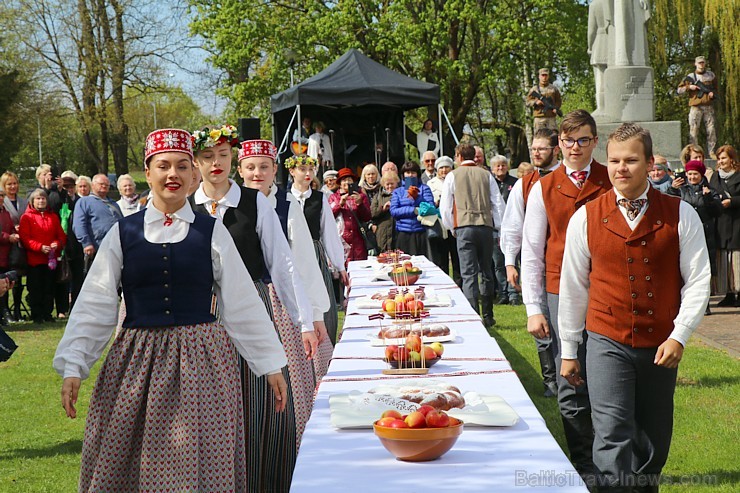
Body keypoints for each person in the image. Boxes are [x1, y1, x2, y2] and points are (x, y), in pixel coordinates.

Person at [53, 128, 288, 491]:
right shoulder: (123, 232)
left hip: (203, 364)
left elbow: (240, 302)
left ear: (194, 174)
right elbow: (95, 303)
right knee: (128, 458)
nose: (173, 175)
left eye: (182, 166)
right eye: (163, 166)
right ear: (148, 173)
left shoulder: (211, 231)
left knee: (203, 458)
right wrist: (74, 365)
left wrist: (270, 363)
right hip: (136, 362)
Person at [558, 122, 711, 490]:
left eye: (630, 160)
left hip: (661, 344)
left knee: (653, 440)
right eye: (613, 161)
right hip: (606, 340)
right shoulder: (586, 217)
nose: (620, 168)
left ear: (649, 163)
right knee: (612, 434)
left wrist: (680, 335)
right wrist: (568, 350)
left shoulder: (681, 214)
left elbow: (699, 279)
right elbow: (573, 286)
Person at [190, 129, 321, 491]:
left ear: (232, 159)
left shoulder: (253, 202)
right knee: (214, 407)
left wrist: (304, 320)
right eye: (207, 157)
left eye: (222, 155)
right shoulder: (187, 206)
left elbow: (282, 262)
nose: (215, 164)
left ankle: (269, 482)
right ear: (196, 162)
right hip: (203, 315)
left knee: (264, 402)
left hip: (254, 306)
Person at [521, 110, 611, 475]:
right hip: (560, 290)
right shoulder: (543, 186)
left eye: (584, 140)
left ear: (595, 141)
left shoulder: (612, 178)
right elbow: (531, 249)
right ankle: (585, 465)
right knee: (570, 377)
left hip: (607, 290)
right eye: (569, 140)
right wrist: (533, 307)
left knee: (604, 376)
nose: (575, 147)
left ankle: (610, 460)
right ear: (559, 143)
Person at [500, 128, 561, 398]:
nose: (536, 152)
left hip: (568, 262)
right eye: (534, 148)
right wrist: (510, 262)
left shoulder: (568, 179)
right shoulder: (526, 183)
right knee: (541, 321)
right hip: (537, 262)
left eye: (542, 148)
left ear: (555, 150)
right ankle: (551, 381)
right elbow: (512, 225)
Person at [440, 143, 506, 327]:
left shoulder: (452, 176)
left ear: (459, 156)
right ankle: (488, 315)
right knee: (486, 270)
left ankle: (474, 315)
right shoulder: (486, 175)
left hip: (464, 226)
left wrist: (451, 227)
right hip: (485, 226)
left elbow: (445, 207)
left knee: (468, 273)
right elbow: (498, 203)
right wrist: (499, 227)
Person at [288, 155, 348, 345]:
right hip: (289, 252)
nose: (307, 173)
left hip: (314, 252)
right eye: (302, 169)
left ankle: (325, 344)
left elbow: (329, 232)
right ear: (291, 171)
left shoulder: (319, 198)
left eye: (311, 170)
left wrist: (340, 265)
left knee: (320, 297)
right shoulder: (284, 198)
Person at [667, 160, 721, 315]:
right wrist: (672, 189)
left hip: (705, 233)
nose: (692, 177)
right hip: (685, 233)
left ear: (701, 174)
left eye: (695, 174)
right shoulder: (681, 189)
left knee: (703, 268)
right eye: (689, 173)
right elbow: (667, 204)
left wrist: (709, 198)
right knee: (685, 266)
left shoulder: (710, 190)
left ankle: (705, 304)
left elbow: (717, 211)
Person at [20, 189, 66, 324]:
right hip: (34, 260)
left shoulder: (53, 217)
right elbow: (25, 238)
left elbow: (61, 236)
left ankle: (47, 313)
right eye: (38, 199)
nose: (41, 201)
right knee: (35, 288)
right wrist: (40, 247)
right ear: (32, 201)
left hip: (51, 260)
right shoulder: (26, 217)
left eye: (43, 199)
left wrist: (56, 244)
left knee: (49, 288)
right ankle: (37, 314)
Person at [710, 145, 740, 307]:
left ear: (732, 159)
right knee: (724, 259)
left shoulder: (739, 175)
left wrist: (733, 201)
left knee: (736, 257)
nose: (721, 161)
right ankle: (728, 293)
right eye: (719, 158)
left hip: (736, 222)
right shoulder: (716, 177)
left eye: (724, 158)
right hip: (721, 222)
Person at [426, 156, 462, 286]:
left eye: (447, 167)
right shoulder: (431, 184)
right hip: (439, 225)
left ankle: (459, 285)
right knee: (441, 258)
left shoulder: (457, 180)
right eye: (441, 167)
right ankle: (445, 285)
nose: (444, 170)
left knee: (457, 258)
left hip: (455, 222)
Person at [72, 174, 123, 262]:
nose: (104, 186)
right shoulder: (84, 202)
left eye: (107, 185)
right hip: (97, 249)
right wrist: (87, 243)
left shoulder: (114, 204)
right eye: (101, 184)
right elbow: (79, 225)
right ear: (93, 185)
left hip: (116, 247)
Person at [490, 155, 519, 305]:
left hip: (513, 227)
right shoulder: (490, 183)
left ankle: (514, 293)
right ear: (492, 168)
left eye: (503, 165)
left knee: (513, 261)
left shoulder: (515, 183)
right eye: (497, 166)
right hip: (495, 228)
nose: (500, 168)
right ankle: (503, 293)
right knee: (498, 263)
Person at [390, 161, 435, 256]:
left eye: (413, 172)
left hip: (421, 231)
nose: (410, 175)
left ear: (417, 174)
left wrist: (417, 197)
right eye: (408, 172)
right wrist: (413, 210)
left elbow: (430, 208)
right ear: (403, 175)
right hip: (403, 232)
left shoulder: (424, 188)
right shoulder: (398, 191)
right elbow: (394, 211)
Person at [677, 56, 718, 157]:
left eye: (703, 63)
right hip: (696, 107)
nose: (701, 65)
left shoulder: (711, 76)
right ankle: (693, 152)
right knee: (694, 130)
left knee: (711, 130)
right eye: (699, 63)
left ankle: (711, 152)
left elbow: (716, 89)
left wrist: (712, 94)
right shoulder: (690, 76)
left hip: (708, 107)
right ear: (695, 64)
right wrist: (689, 87)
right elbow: (678, 90)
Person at [329, 167, 371, 263]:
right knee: (343, 271)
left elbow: (367, 217)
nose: (347, 182)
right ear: (339, 183)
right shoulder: (333, 197)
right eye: (344, 180)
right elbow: (329, 217)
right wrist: (339, 204)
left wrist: (360, 204)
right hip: (341, 241)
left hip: (358, 242)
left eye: (349, 179)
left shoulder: (361, 196)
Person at [1, 171, 27, 322]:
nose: (12, 186)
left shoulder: (23, 202)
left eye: (14, 183)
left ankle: (17, 309)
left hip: (19, 244)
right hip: (6, 244)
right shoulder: (2, 203)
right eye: (9, 184)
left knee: (17, 278)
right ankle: (6, 312)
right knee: (5, 279)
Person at [59, 172, 85, 310]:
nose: (68, 189)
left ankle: (76, 305)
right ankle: (62, 307)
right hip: (63, 244)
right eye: (65, 187)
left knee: (78, 278)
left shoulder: (80, 201)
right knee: (64, 277)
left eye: (70, 186)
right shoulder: (61, 200)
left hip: (77, 245)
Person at [0, 187, 20, 325]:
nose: (1, 198)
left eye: (2, 196)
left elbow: (10, 227)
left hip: (5, 254)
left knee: (4, 284)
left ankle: (4, 312)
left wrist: (15, 233)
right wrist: (9, 237)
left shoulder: (5, 213)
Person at [371, 172, 400, 253]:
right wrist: (383, 208)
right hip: (382, 231)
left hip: (397, 230)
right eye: (387, 184)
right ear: (383, 184)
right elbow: (372, 213)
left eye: (392, 184)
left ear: (396, 183)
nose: (390, 186)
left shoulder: (401, 195)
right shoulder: (377, 196)